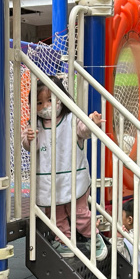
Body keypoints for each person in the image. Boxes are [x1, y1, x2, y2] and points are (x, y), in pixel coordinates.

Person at [24, 76, 107, 260]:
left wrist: (92, 123)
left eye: (50, 100)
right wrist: (28, 139)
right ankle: (64, 241)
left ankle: (93, 237)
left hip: (73, 179)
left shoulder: (71, 119)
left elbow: (84, 130)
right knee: (56, 215)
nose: (45, 106)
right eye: (39, 103)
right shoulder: (34, 125)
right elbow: (29, 145)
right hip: (49, 181)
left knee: (79, 212)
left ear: (61, 98)